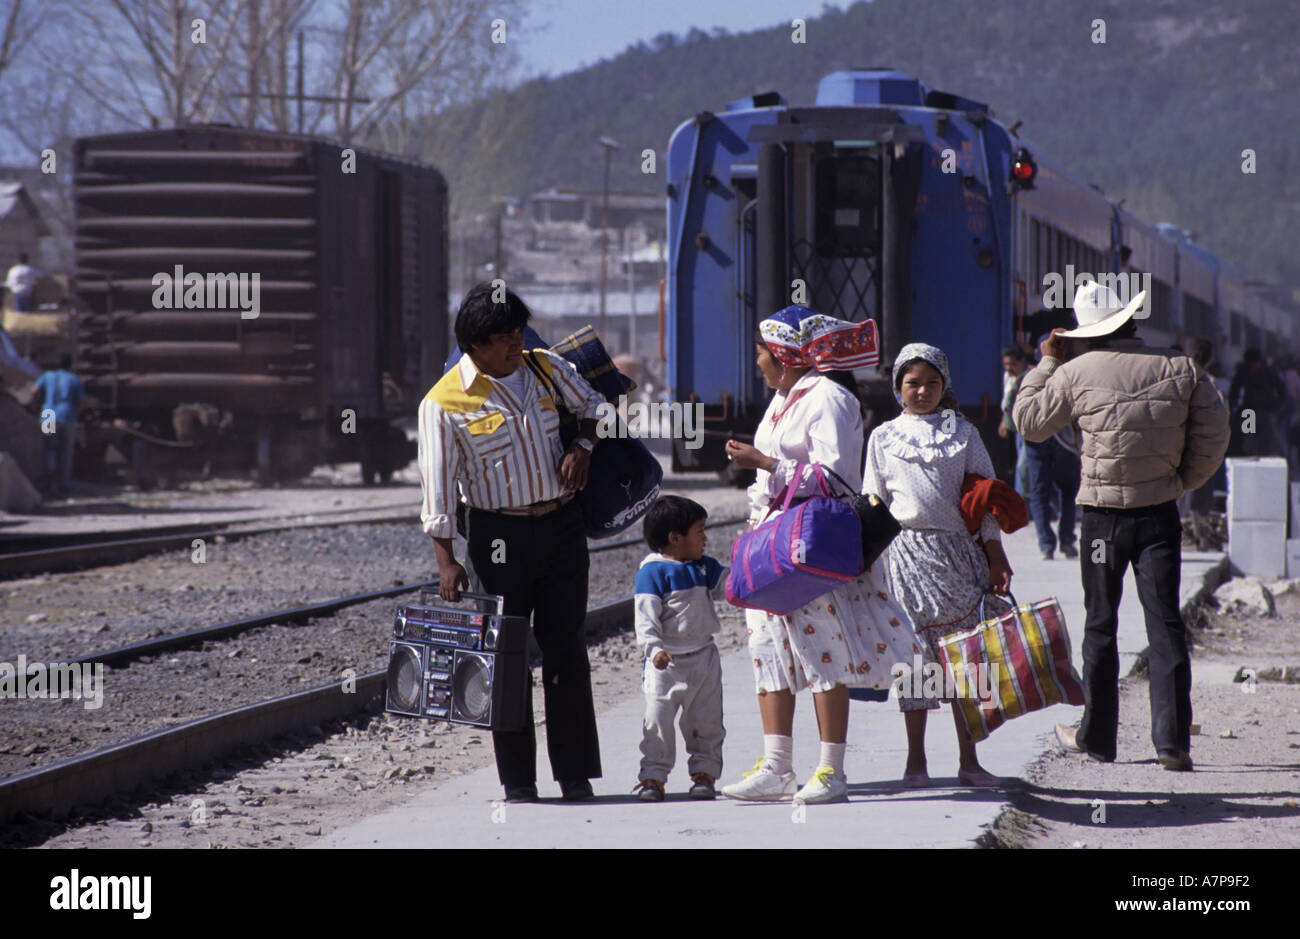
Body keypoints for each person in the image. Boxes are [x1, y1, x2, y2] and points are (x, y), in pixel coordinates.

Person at [1014, 282, 1229, 771]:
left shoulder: (1075, 371)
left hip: (1101, 524)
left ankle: (1098, 739)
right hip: (1159, 516)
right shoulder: (1180, 367)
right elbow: (1216, 431)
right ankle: (1172, 744)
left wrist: (1046, 362)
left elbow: (1029, 423)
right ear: (1132, 321)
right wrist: (1183, 480)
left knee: (1100, 625)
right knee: (1165, 624)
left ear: (1086, 331)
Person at [418, 282, 606, 803]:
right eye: (502, 337)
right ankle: (518, 781)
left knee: (567, 649)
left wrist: (584, 445)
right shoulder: (443, 402)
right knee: (505, 655)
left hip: (562, 526)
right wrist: (447, 561)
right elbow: (437, 490)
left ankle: (575, 775)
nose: (514, 344)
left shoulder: (545, 367)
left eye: (518, 332)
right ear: (474, 344)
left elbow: (596, 406)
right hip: (496, 537)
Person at [721, 305, 915, 804]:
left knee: (821, 651)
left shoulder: (829, 398)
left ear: (784, 357)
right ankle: (777, 766)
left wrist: (763, 461)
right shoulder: (785, 397)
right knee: (769, 654)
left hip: (807, 547)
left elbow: (836, 479)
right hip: (771, 543)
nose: (756, 363)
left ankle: (832, 770)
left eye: (761, 353)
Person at [864, 343, 1013, 788]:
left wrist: (995, 552)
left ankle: (969, 762)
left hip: (959, 557)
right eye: (913, 383)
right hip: (906, 558)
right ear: (898, 388)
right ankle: (915, 763)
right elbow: (874, 502)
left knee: (966, 658)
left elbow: (984, 498)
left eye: (932, 382)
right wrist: (866, 562)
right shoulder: (883, 438)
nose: (923, 390)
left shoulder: (964, 433)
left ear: (945, 385)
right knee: (917, 662)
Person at [632, 496, 727, 802]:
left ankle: (704, 773)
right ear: (675, 538)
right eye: (699, 531)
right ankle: (653, 777)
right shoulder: (653, 573)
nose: (705, 538)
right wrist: (653, 648)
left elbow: (731, 585)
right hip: (666, 666)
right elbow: (645, 618)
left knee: (706, 721)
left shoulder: (703, 567)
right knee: (657, 721)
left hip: (704, 660)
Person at [32, 354, 84, 497]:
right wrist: (76, 414)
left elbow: (34, 390)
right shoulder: (74, 378)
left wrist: (37, 406)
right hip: (67, 414)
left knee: (48, 449)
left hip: (48, 413)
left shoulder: (47, 375)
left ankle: (47, 482)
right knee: (65, 451)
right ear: (70, 365)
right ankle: (63, 485)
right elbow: (80, 401)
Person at [1228, 347, 1285, 457]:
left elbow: (1281, 391)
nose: (1254, 366)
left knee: (1267, 445)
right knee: (1248, 444)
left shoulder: (1269, 373)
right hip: (1248, 412)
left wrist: (1276, 407)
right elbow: (1234, 392)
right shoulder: (1242, 373)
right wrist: (1233, 408)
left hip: (1265, 411)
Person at [999, 345, 1031, 502]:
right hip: (1014, 427)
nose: (1009, 368)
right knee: (1020, 466)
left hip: (1027, 428)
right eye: (1006, 364)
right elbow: (1006, 402)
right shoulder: (1008, 376)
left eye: (1012, 364)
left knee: (1022, 468)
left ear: (1023, 361)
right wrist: (1003, 422)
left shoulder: (1031, 376)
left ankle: (1021, 504)